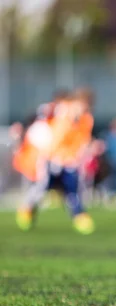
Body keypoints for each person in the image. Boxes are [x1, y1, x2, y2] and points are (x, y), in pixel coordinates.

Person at [15, 88, 96, 234]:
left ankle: (79, 216)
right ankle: (27, 210)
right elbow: (43, 126)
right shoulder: (60, 115)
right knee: (42, 187)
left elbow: (82, 140)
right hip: (51, 158)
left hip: (70, 161)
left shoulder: (86, 120)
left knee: (73, 189)